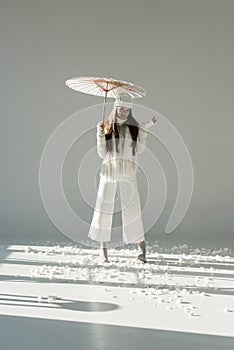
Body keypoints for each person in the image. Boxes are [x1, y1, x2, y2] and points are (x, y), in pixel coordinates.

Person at [88, 93, 157, 263]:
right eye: (121, 109)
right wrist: (100, 133)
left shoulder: (133, 128)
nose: (124, 113)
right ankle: (103, 250)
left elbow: (139, 149)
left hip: (128, 173)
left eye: (128, 110)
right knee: (103, 210)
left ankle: (142, 249)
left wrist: (146, 128)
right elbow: (102, 153)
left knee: (132, 210)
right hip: (109, 173)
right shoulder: (108, 127)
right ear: (115, 108)